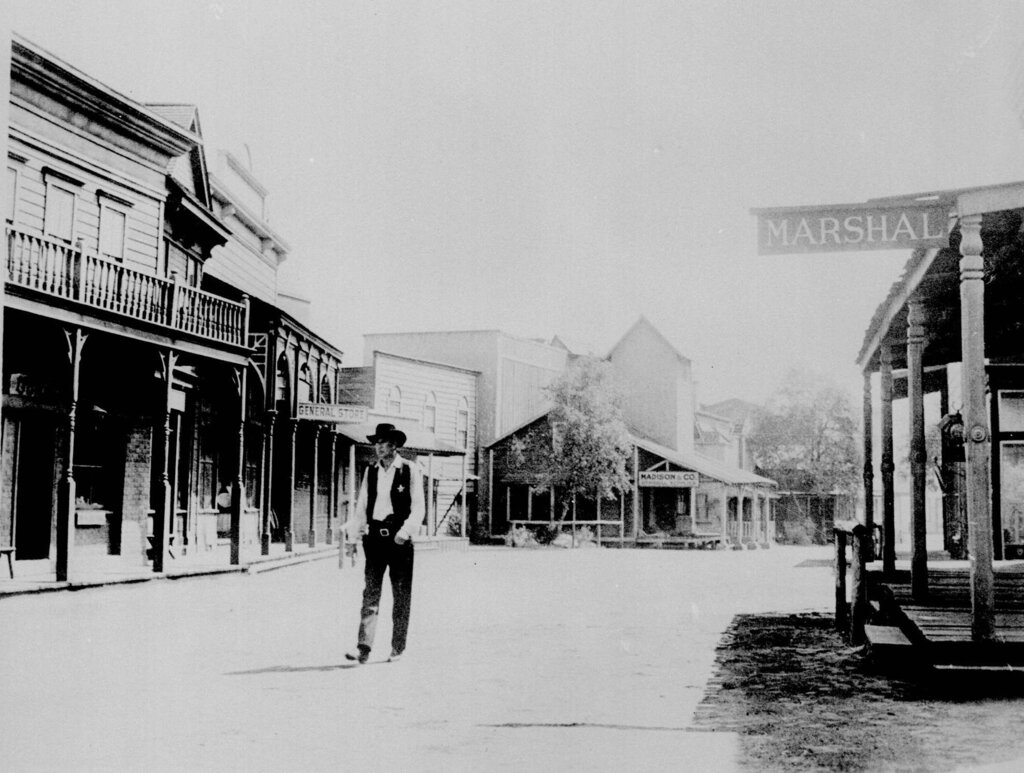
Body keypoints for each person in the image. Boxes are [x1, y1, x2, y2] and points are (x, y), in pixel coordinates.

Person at [343, 422, 424, 664]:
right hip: (375, 539)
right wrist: (353, 538)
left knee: (401, 596)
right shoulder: (372, 471)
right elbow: (361, 508)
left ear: (394, 445)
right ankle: (363, 648)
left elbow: (418, 507)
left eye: (383, 443)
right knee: (370, 593)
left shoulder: (409, 470)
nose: (378, 447)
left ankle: (398, 647)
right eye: (376, 443)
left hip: (399, 541)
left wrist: (405, 532)